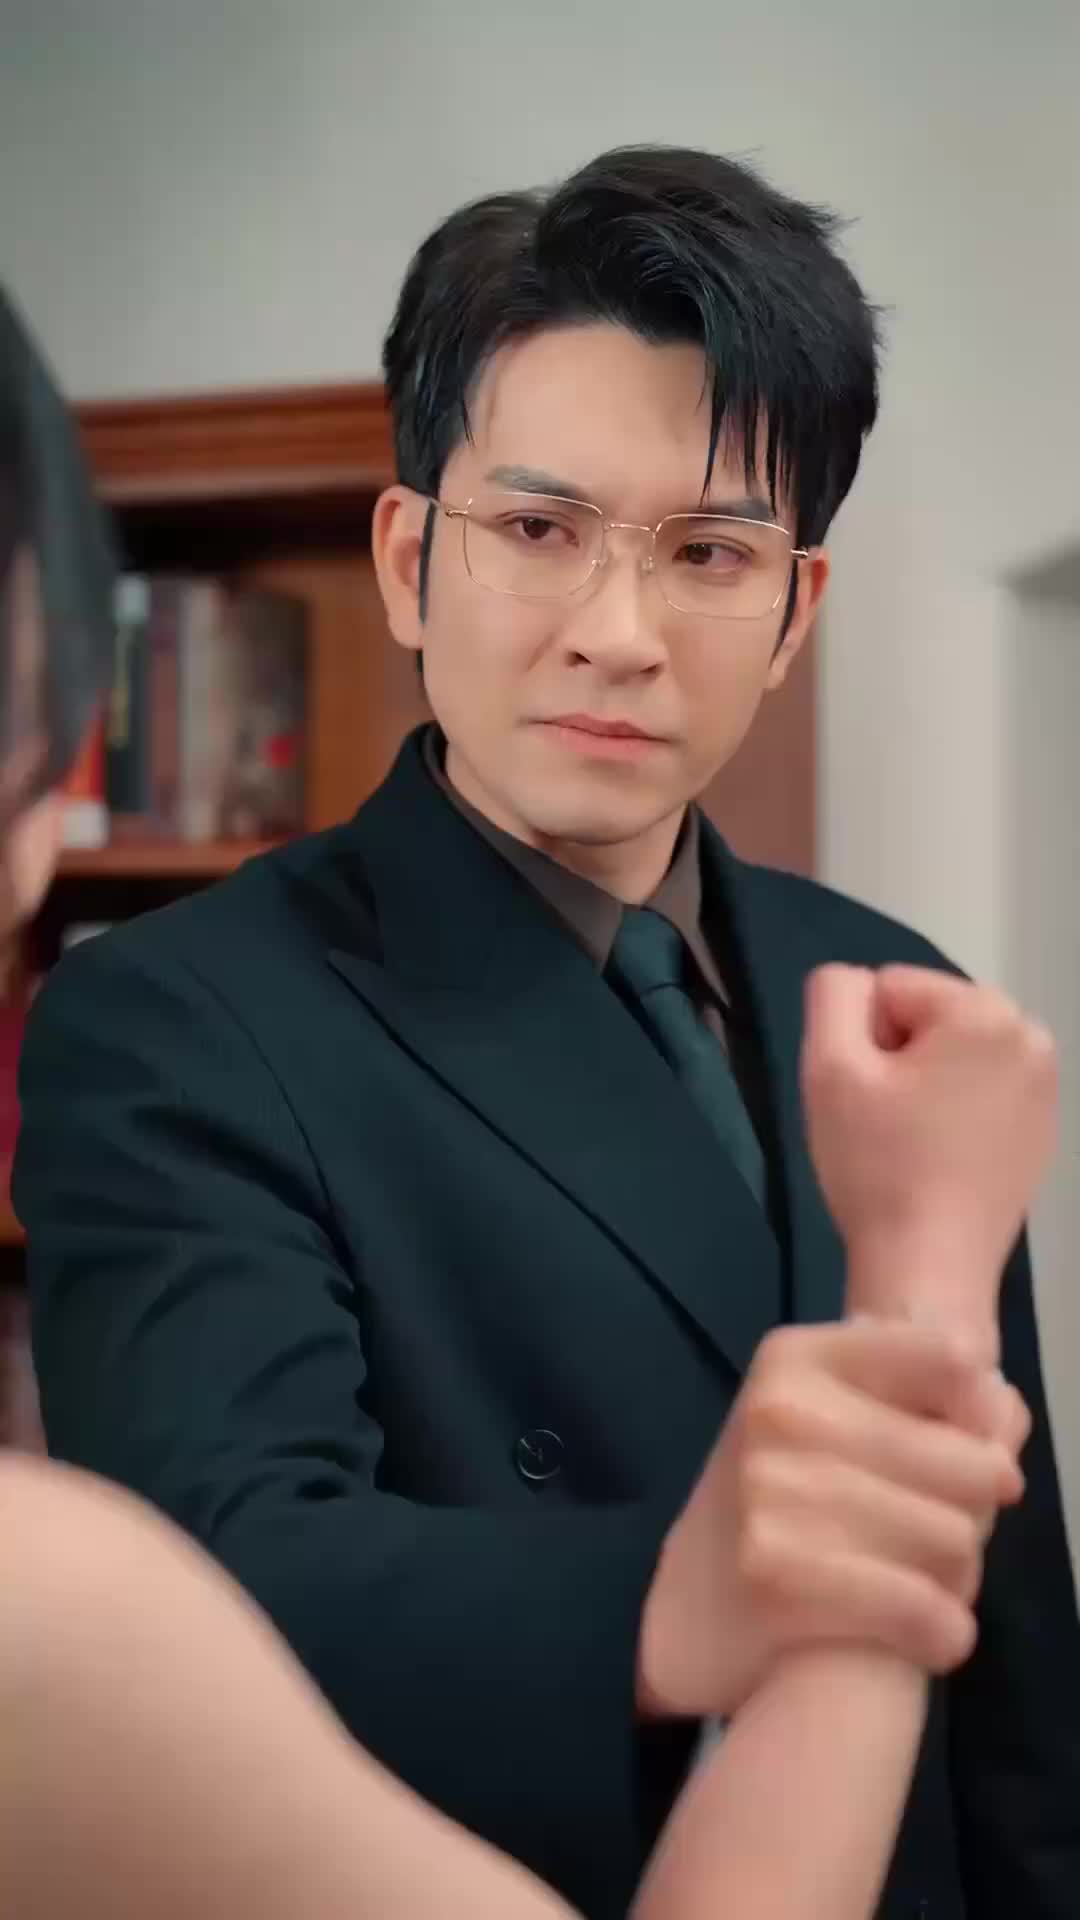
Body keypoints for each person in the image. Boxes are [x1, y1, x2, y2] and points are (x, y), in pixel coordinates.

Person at [13, 146, 1080, 1920]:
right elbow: (219, 1589)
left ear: (795, 613)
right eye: (537, 530)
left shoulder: (897, 994)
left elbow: (1014, 1672)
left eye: (710, 553)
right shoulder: (172, 1020)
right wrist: (680, 1593)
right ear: (407, 560)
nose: (619, 634)